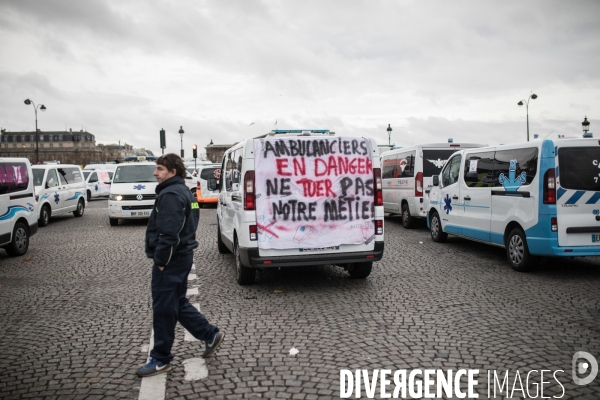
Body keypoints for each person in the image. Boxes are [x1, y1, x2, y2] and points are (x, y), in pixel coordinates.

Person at [137, 153, 225, 377]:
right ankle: (209, 334)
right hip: (182, 256)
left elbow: (170, 232)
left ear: (173, 172)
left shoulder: (171, 195)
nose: (155, 173)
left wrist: (161, 261)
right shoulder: (185, 190)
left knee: (164, 310)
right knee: (176, 302)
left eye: (159, 169)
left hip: (172, 260)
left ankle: (160, 359)